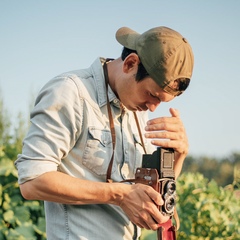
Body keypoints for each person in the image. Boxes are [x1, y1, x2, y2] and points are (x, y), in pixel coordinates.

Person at [15, 26, 194, 240]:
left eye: (161, 101)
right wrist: (119, 195)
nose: (153, 107)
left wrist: (178, 155)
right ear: (130, 64)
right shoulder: (71, 93)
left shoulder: (136, 108)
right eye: (151, 95)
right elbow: (32, 181)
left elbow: (150, 197)